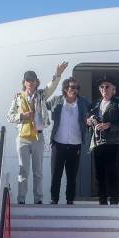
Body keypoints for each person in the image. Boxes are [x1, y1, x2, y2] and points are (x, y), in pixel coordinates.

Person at [7, 62, 68, 205]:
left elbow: (50, 87)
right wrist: (21, 116)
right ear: (24, 82)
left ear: (36, 82)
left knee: (38, 172)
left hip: (37, 137)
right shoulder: (18, 97)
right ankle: (21, 200)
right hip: (22, 138)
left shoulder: (41, 95)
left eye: (33, 80)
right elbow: (9, 116)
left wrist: (58, 74)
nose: (31, 83)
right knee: (23, 171)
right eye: (28, 80)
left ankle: (38, 199)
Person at [46, 77, 90, 205]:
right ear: (65, 89)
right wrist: (23, 96)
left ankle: (70, 200)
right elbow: (41, 104)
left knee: (72, 176)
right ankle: (54, 199)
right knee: (56, 175)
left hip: (75, 145)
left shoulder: (83, 102)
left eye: (77, 88)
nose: (75, 90)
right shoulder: (57, 100)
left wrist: (90, 119)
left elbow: (95, 108)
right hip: (58, 144)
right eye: (72, 87)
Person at [87, 76, 119, 205]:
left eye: (107, 86)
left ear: (113, 90)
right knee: (99, 173)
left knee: (111, 171)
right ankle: (102, 199)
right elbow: (88, 118)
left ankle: (114, 198)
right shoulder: (95, 103)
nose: (104, 89)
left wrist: (109, 125)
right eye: (101, 87)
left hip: (112, 142)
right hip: (98, 142)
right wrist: (88, 122)